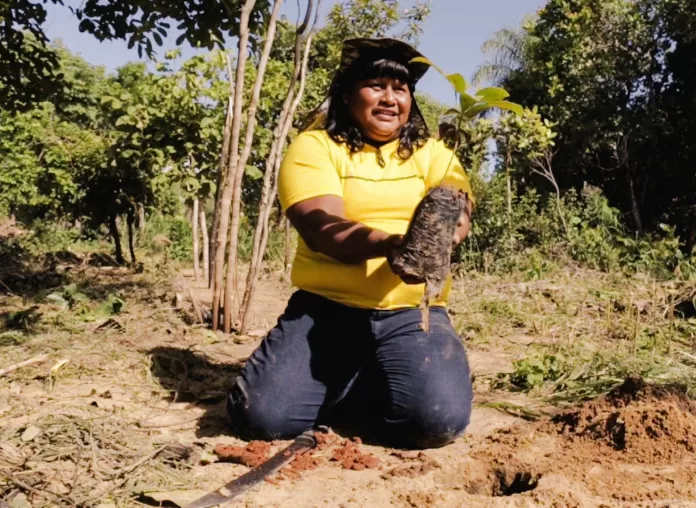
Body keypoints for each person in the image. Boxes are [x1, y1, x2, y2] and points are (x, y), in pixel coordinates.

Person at [227, 38, 475, 450]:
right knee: (263, 418)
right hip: (327, 312)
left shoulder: (437, 154)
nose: (390, 98)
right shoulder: (317, 146)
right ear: (346, 94)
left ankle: (369, 378)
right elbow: (322, 229)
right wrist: (393, 245)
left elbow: (457, 222)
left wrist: (440, 232)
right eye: (376, 84)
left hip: (413, 312)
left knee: (437, 422)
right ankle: (351, 375)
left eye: (400, 88)